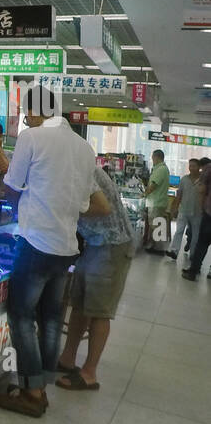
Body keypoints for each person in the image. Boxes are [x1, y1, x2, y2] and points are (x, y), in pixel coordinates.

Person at [0, 86, 110, 418]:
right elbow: (86, 201)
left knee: (22, 316)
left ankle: (32, 392)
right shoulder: (85, 148)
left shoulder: (33, 138)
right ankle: (41, 385)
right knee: (52, 317)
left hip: (36, 241)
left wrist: (17, 207)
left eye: (28, 113)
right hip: (67, 246)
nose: (26, 120)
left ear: (37, 111)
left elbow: (12, 186)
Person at [56, 165, 136, 392]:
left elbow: (102, 207)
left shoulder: (79, 166)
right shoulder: (71, 162)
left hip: (113, 244)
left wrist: (64, 209)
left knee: (99, 311)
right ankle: (67, 359)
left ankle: (89, 373)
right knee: (80, 304)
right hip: (95, 242)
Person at [180, 156, 211, 280]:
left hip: (209, 213)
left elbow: (201, 190)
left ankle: (194, 271)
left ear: (201, 166)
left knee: (202, 243)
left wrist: (201, 207)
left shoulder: (207, 170)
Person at [167, 157, 203, 261]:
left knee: (195, 235)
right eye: (190, 165)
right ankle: (174, 251)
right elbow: (179, 195)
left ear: (199, 167)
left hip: (197, 212)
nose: (191, 168)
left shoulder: (203, 180)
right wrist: (175, 208)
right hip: (184, 210)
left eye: (193, 166)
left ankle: (193, 254)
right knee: (179, 231)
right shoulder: (184, 179)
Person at [142, 149, 171, 252]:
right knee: (155, 224)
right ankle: (154, 246)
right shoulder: (159, 169)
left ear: (156, 157)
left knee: (156, 225)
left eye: (152, 158)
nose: (152, 160)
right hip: (155, 202)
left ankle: (158, 249)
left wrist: (144, 194)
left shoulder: (161, 169)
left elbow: (153, 185)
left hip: (157, 202)